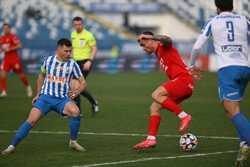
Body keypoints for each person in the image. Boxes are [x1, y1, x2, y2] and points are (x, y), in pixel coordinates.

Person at [189, 0, 250, 166]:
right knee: (233, 110)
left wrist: (191, 65)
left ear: (217, 7)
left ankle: (248, 141)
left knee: (231, 109)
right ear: (233, 6)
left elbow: (197, 47)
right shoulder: (244, 20)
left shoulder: (213, 21)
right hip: (245, 68)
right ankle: (243, 145)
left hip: (227, 69)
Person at [1, 38, 86, 155]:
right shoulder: (48, 60)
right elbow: (41, 76)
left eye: (70, 51)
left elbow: (83, 82)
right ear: (59, 49)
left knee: (76, 111)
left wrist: (76, 92)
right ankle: (12, 146)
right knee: (31, 120)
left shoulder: (73, 64)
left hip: (62, 99)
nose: (68, 54)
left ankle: (73, 141)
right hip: (45, 98)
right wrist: (38, 94)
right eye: (66, 51)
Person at [133, 31, 194, 150]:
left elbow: (168, 40)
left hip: (183, 81)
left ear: (150, 40)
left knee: (156, 94)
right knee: (154, 107)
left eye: (143, 44)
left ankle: (184, 116)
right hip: (184, 84)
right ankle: (151, 139)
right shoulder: (158, 53)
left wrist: (152, 36)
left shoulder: (163, 46)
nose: (143, 48)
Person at [71, 16, 99, 116]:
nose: (78, 26)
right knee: (76, 87)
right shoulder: (73, 34)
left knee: (77, 86)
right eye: (76, 25)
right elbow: (73, 49)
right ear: (73, 25)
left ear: (82, 24)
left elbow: (94, 48)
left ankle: (78, 111)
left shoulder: (88, 35)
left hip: (85, 62)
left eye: (79, 24)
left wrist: (90, 61)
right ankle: (93, 102)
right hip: (75, 63)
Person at [0, 23, 33, 97]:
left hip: (14, 59)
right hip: (6, 59)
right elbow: (2, 48)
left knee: (20, 74)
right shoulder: (2, 38)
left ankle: (28, 87)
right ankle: (4, 91)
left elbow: (19, 45)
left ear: (9, 29)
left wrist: (10, 48)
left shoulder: (13, 37)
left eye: (7, 28)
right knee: (2, 74)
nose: (5, 30)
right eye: (4, 28)